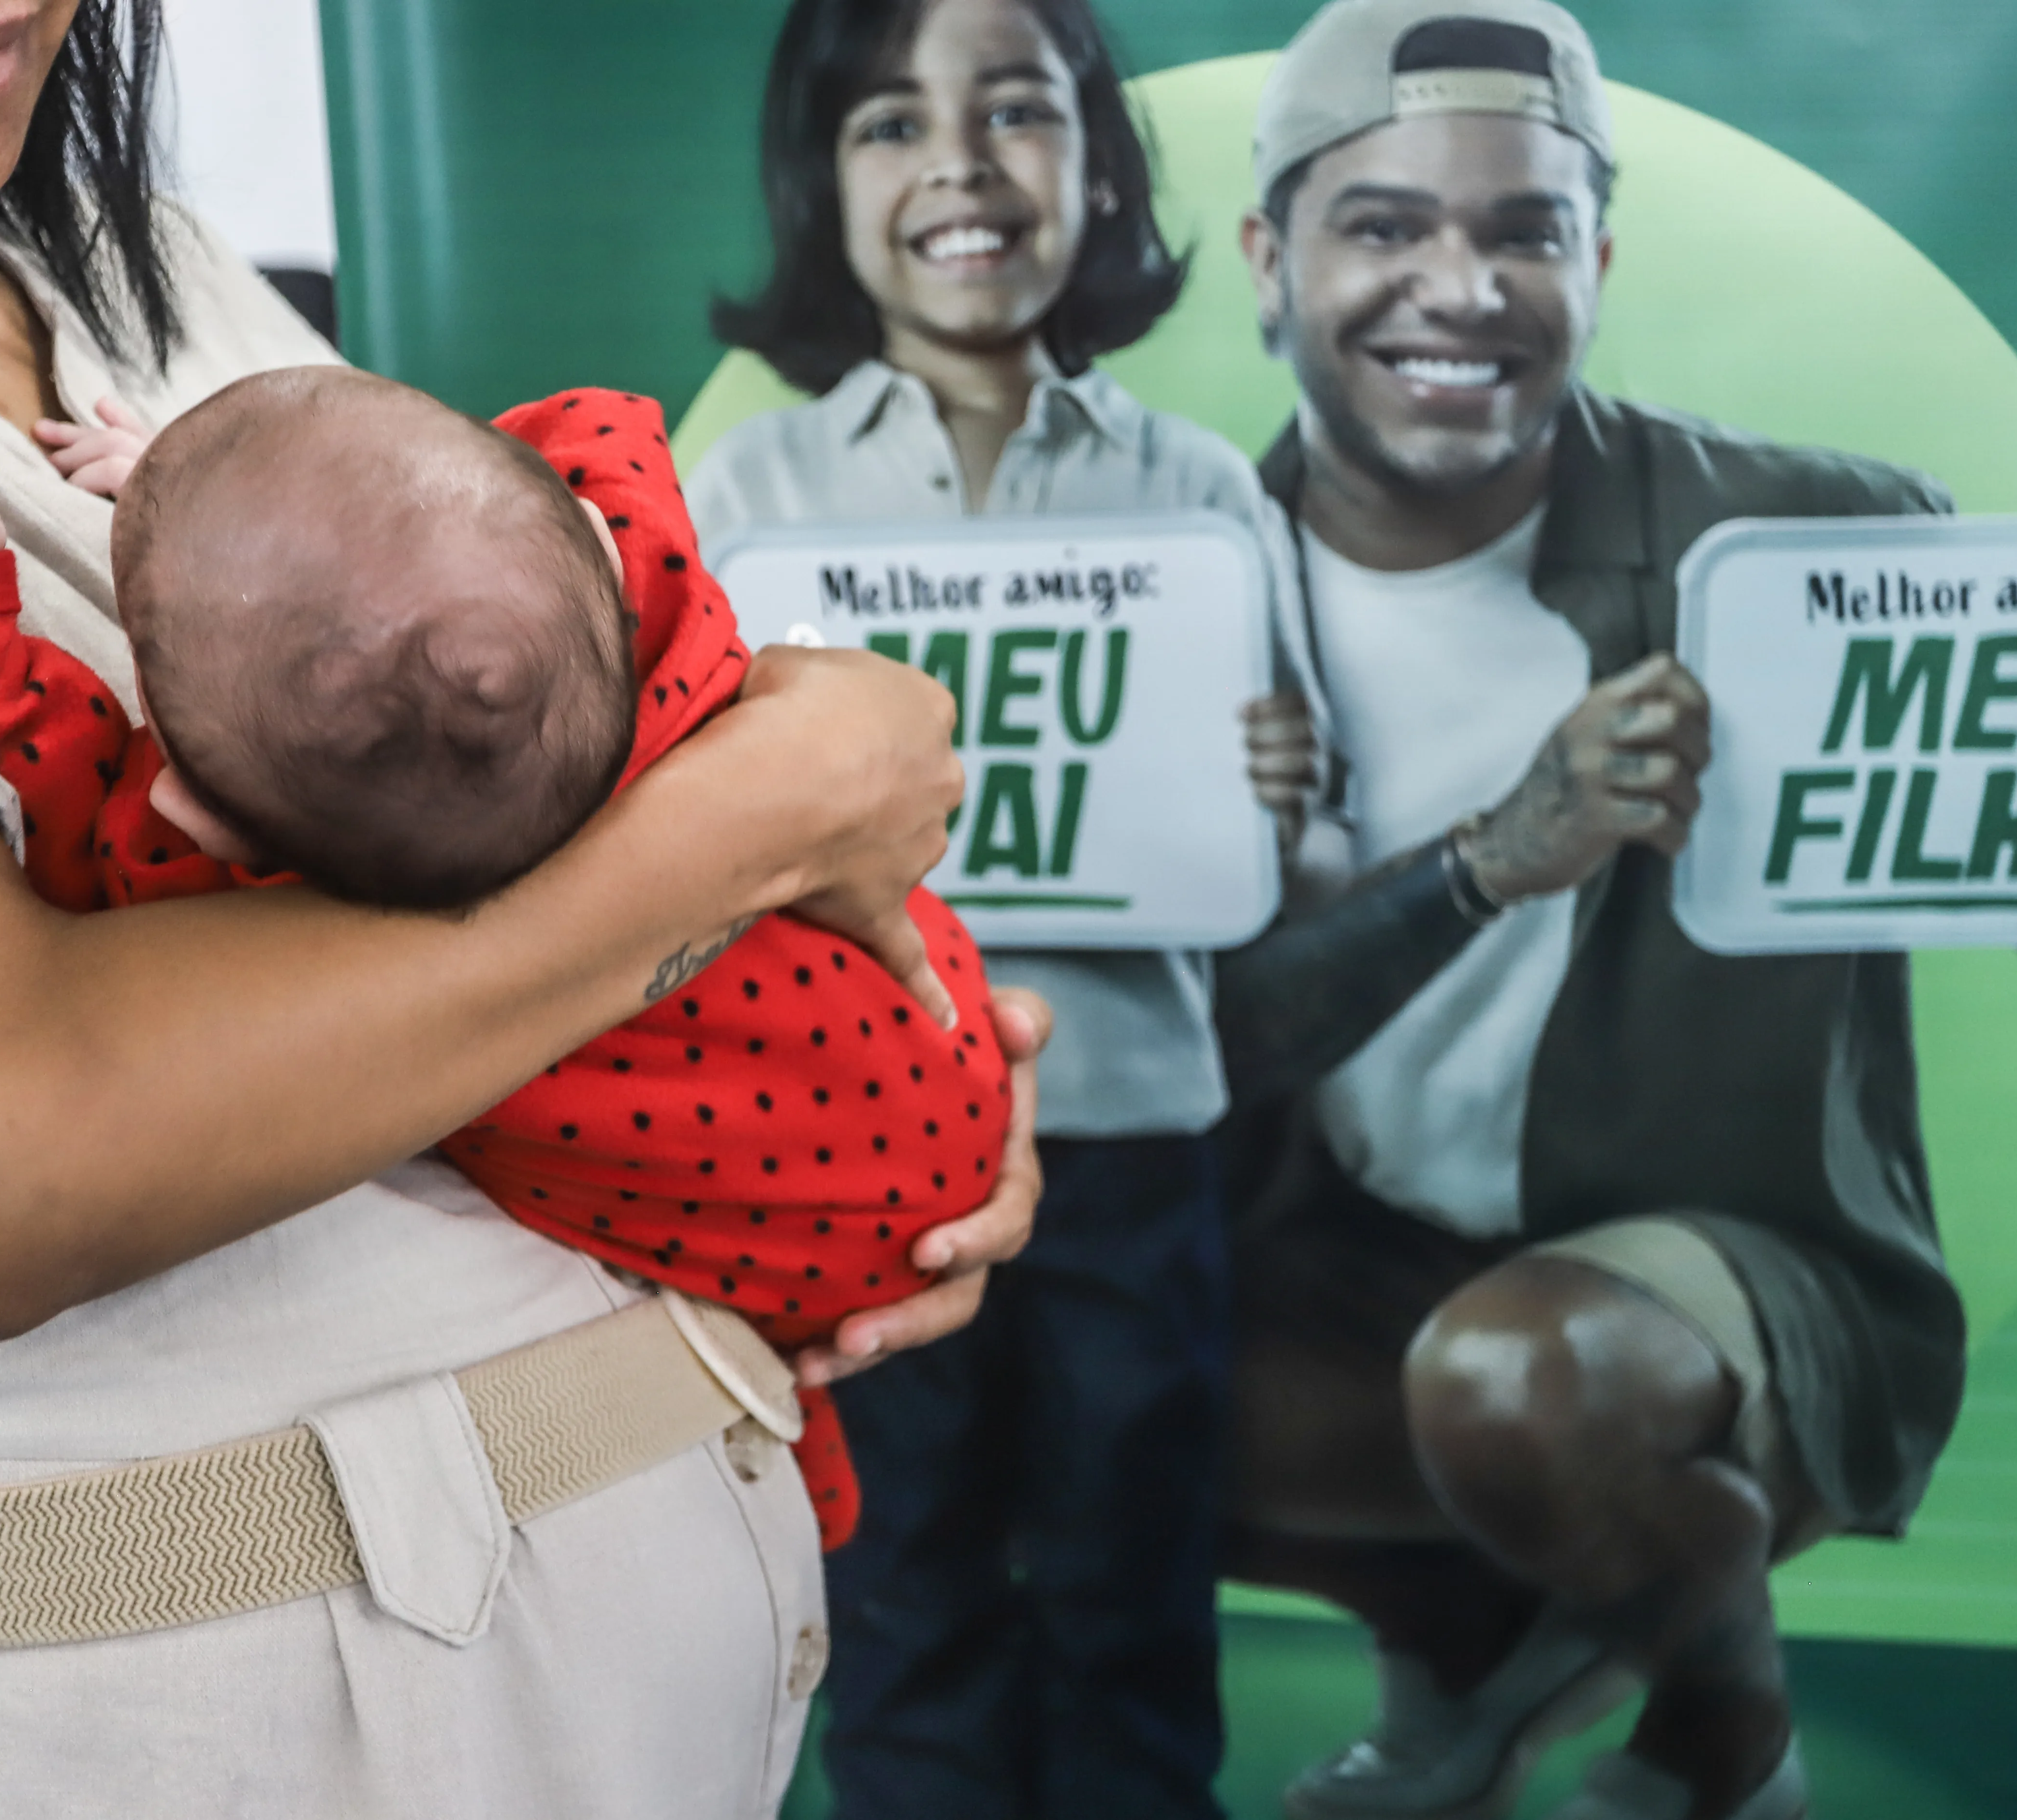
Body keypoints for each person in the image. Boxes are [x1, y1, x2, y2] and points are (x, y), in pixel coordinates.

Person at [0, 4, 1048, 1816]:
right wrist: (756, 821)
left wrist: (851, 1113)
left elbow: (507, 754)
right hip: (244, 1695)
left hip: (641, 1605)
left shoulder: (118, 251)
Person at [1209, 4, 2017, 1820]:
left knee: (1517, 1379)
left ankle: (1718, 1718)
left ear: (1598, 257)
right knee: (1015, 1339)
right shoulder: (1188, 572)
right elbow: (1174, 1039)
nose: (1458, 284)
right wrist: (1500, 849)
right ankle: (1460, 1657)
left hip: (1709, 1289)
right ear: (1270, 262)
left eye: (1520, 230)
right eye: (1383, 225)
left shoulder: (1809, 538)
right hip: (1337, 1264)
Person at [0, 368, 1019, 1546]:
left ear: (202, 812)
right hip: (939, 1064)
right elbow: (571, 441)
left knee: (763, 1366)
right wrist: (223, 512)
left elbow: (83, 818)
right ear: (600, 546)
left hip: (782, 1245)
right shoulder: (646, 563)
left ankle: (806, 1472)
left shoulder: (250, 876)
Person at [684, 0, 1319, 1813]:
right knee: (904, 1595)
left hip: (1131, 1135)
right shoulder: (750, 495)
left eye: (1016, 111)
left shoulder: (1203, 493)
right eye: (889, 122)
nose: (958, 161)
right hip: (852, 1151)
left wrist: (1283, 781)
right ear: (823, 183)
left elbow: (1279, 853)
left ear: (1095, 170)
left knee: (1135, 1593)